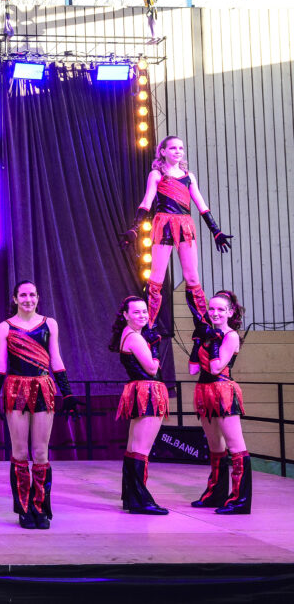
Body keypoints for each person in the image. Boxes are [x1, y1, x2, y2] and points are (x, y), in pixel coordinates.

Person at [0, 281, 80, 529]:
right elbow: (1, 362)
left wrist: (67, 393)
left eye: (32, 295)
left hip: (43, 388)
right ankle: (24, 508)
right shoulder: (5, 327)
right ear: (15, 299)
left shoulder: (50, 324)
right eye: (23, 295)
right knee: (19, 452)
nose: (28, 299)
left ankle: (40, 507)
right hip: (16, 389)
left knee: (41, 452)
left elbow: (56, 358)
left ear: (38, 297)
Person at [120, 135, 233, 326]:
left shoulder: (189, 177)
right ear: (163, 152)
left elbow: (202, 205)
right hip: (164, 224)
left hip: (185, 226)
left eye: (181, 148)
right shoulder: (157, 174)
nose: (178, 151)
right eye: (173, 148)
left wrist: (216, 231)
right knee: (156, 278)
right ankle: (148, 326)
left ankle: (203, 327)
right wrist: (135, 228)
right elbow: (147, 201)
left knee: (192, 277)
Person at [188, 290, 250, 514]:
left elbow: (216, 368)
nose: (215, 313)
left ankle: (240, 501)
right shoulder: (209, 333)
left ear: (230, 312)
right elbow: (193, 369)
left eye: (221, 309)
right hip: (205, 391)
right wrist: (198, 341)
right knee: (215, 446)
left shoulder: (230, 336)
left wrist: (213, 340)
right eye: (211, 308)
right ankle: (215, 494)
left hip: (223, 392)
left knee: (235, 447)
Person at [109, 296, 169, 515]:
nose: (142, 315)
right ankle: (141, 501)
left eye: (144, 311)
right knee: (141, 449)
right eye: (136, 312)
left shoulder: (129, 334)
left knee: (134, 447)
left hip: (140, 390)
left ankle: (132, 497)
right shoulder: (134, 337)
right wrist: (155, 347)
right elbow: (152, 369)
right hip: (148, 391)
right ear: (125, 315)